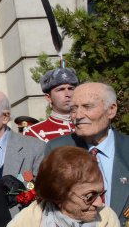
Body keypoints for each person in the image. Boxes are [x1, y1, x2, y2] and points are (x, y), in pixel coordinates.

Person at [45, 82, 129, 224]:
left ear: (111, 110)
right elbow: (49, 207)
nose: (78, 115)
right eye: (73, 108)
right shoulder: (58, 150)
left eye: (87, 107)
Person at [8, 146, 120, 226]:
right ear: (59, 197)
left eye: (101, 193)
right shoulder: (28, 221)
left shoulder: (107, 218)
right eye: (90, 196)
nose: (99, 203)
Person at [24, 67, 78, 142]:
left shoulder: (90, 125)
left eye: (71, 88)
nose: (68, 94)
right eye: (61, 89)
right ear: (48, 98)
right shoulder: (33, 133)